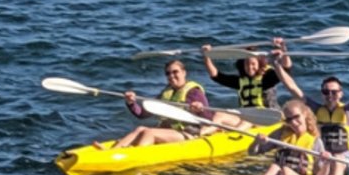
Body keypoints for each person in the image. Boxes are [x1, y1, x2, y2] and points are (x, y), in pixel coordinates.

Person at [273, 48, 349, 175]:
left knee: (337, 157)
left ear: (341, 93)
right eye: (326, 92)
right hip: (320, 157)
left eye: (334, 92)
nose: (330, 95)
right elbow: (292, 88)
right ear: (322, 94)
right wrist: (276, 64)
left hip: (342, 159)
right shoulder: (315, 109)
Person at [96, 60, 248, 149]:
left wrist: (198, 110)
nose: (171, 76)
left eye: (175, 72)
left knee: (149, 132)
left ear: (184, 73)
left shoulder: (194, 91)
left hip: (189, 134)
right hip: (170, 132)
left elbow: (208, 118)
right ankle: (113, 152)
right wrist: (131, 102)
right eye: (168, 73)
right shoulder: (166, 93)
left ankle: (132, 154)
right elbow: (142, 115)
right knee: (141, 128)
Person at [249, 99, 334, 175]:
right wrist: (257, 142)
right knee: (275, 167)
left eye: (296, 117)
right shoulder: (280, 134)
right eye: (289, 120)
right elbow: (252, 152)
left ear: (305, 114)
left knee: (286, 169)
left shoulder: (315, 142)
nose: (293, 122)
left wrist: (327, 162)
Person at [200, 37, 292, 109]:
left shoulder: (268, 78)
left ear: (259, 64)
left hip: (270, 118)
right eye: (247, 64)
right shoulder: (240, 82)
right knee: (220, 116)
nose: (250, 67)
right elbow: (216, 75)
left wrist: (283, 49)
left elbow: (286, 69)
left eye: (253, 64)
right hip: (248, 117)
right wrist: (207, 56)